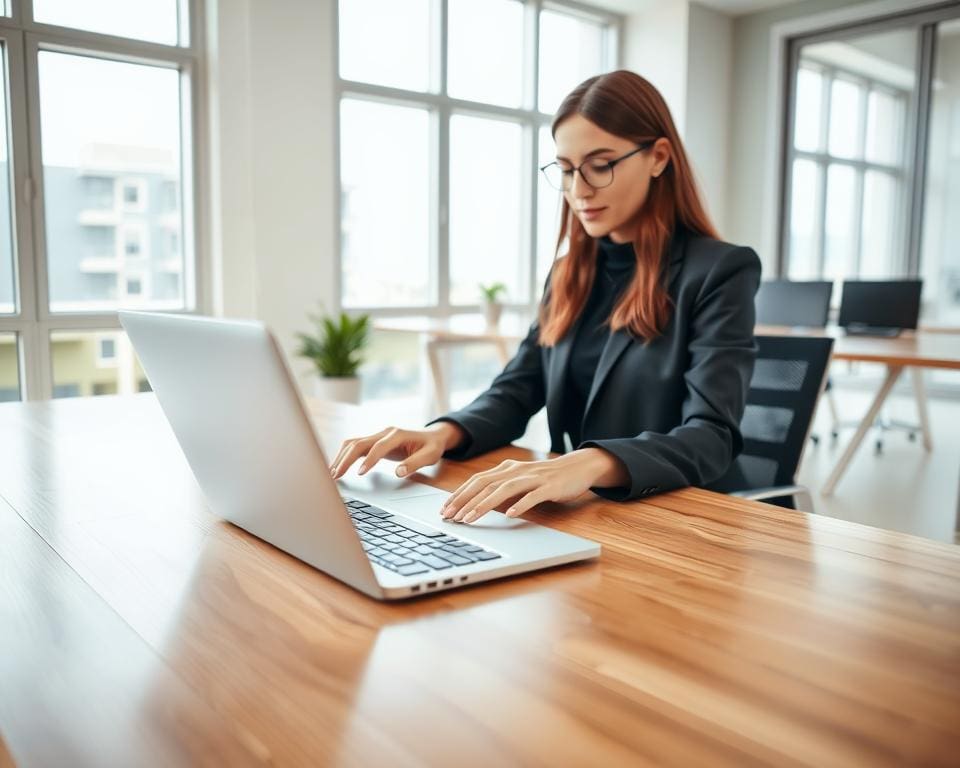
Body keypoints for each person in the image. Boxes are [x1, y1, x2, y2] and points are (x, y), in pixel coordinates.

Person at [330, 70, 761, 525]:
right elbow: (518, 388)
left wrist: (589, 463)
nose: (579, 190)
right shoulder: (570, 271)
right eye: (568, 170)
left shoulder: (719, 270)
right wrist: (442, 432)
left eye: (601, 164)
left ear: (658, 157)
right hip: (594, 516)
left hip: (681, 518)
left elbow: (711, 437)